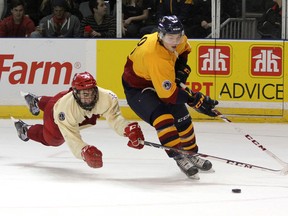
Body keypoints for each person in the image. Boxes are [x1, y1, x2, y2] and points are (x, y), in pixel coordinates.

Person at [121, 15, 219, 179]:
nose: (174, 41)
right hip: (137, 88)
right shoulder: (155, 56)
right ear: (160, 35)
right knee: (163, 118)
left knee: (182, 118)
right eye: (170, 37)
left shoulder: (178, 40)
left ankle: (191, 153)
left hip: (157, 79)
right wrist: (194, 99)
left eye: (177, 36)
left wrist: (180, 71)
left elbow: (185, 51)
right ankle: (179, 156)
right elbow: (168, 96)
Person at [13, 71, 145, 169]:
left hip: (70, 106)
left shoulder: (107, 98)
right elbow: (72, 138)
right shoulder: (64, 109)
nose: (88, 98)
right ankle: (25, 129)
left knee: (89, 117)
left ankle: (36, 101)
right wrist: (84, 151)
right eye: (84, 94)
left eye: (91, 93)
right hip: (55, 110)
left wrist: (128, 129)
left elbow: (114, 118)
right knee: (53, 139)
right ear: (75, 93)